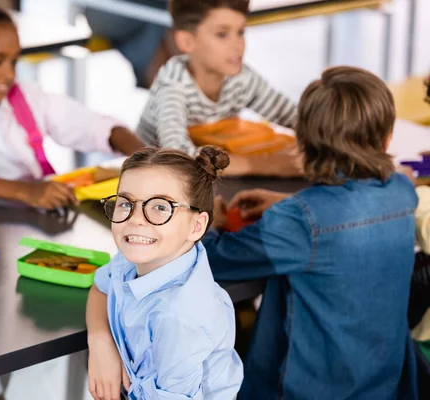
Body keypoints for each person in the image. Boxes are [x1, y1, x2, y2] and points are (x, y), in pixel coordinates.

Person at [203, 66, 419, 399]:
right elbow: (351, 213)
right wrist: (289, 202)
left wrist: (210, 221)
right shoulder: (402, 191)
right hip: (384, 383)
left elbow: (214, 262)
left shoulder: (300, 222)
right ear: (387, 136)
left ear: (302, 141)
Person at [0, 0, 144, 211]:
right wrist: (23, 191)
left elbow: (95, 127)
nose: (9, 74)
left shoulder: (26, 97)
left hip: (41, 215)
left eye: (14, 61)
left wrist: (144, 158)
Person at [86, 146, 243, 400]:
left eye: (160, 207)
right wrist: (100, 343)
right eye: (126, 203)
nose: (135, 219)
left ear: (196, 225)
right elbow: (101, 287)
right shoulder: (137, 256)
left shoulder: (179, 318)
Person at [137, 0, 302, 177]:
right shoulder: (172, 87)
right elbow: (179, 157)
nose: (238, 45)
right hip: (153, 174)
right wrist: (269, 165)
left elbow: (294, 116)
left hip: (216, 164)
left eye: (240, 32)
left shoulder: (241, 78)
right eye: (222, 34)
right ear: (187, 41)